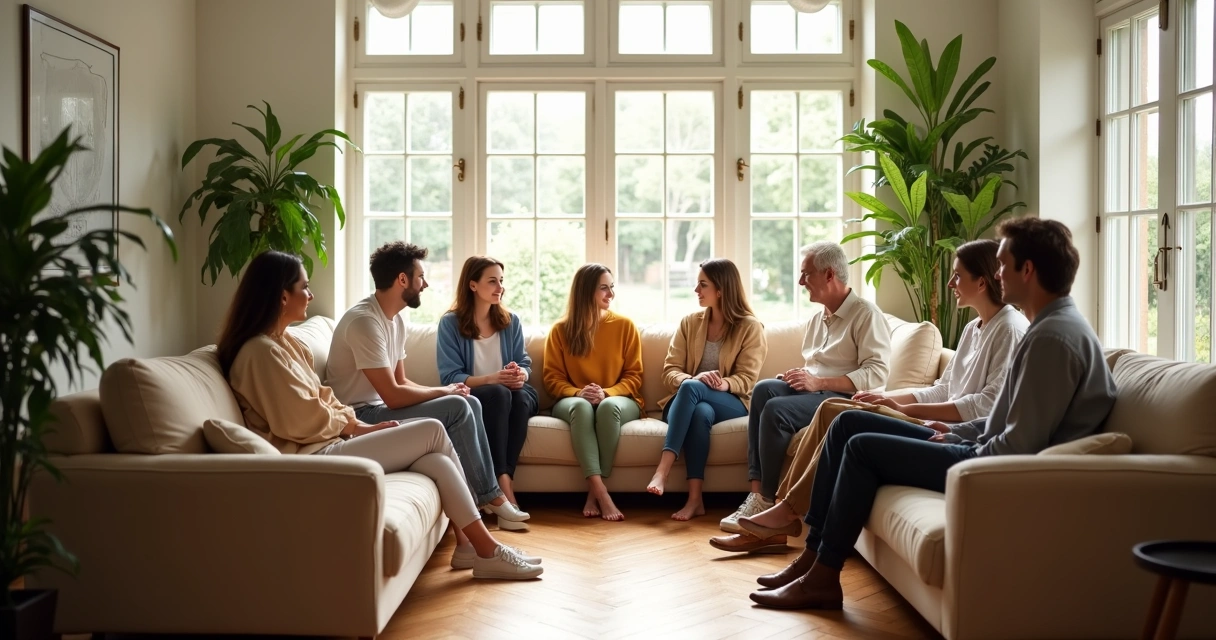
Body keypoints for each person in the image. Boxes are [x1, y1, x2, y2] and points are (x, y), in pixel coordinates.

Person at [749, 217, 1118, 610]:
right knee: (847, 423)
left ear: (1027, 270)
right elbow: (1009, 418)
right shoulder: (1048, 327)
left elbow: (1019, 442)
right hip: (973, 444)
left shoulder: (1051, 338)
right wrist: (955, 432)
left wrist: (960, 441)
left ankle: (824, 574)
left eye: (1003, 264)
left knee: (861, 448)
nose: (997, 274)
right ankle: (812, 559)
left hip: (986, 465)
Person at [218, 251, 542, 579]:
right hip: (316, 452)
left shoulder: (287, 344)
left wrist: (358, 426)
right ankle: (487, 534)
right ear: (282, 295)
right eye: (305, 286)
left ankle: (471, 548)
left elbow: (325, 397)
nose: (311, 295)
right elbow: (300, 420)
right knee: (433, 429)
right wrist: (359, 428)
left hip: (338, 434)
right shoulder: (261, 353)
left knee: (437, 460)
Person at [729, 239, 1029, 548]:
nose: (950, 282)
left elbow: (987, 405)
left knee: (838, 412)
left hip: (952, 434)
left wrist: (907, 411)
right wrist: (892, 401)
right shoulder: (974, 328)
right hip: (935, 422)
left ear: (981, 281)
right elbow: (942, 389)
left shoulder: (1009, 328)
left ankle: (786, 513)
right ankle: (778, 506)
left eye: (957, 275)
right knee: (825, 408)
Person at [326, 242, 529, 529]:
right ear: (402, 280)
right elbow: (394, 396)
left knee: (469, 401)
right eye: (421, 277)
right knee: (459, 403)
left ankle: (490, 497)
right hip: (360, 415)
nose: (426, 284)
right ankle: (491, 498)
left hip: (379, 406)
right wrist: (445, 390)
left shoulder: (394, 320)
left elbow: (402, 381)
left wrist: (448, 391)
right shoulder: (365, 323)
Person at [713, 241, 892, 551]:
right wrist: (799, 377)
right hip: (818, 389)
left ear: (829, 274)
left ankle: (770, 503)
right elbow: (815, 365)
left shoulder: (865, 315)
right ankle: (757, 495)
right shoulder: (818, 319)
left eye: (805, 274)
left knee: (777, 410)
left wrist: (819, 380)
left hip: (843, 398)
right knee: (764, 390)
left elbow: (877, 375)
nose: (800, 282)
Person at [646, 258, 768, 521]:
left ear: (721, 289)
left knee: (693, 388)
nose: (696, 290)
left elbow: (748, 378)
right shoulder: (689, 323)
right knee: (699, 410)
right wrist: (694, 378)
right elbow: (669, 371)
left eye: (703, 284)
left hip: (731, 402)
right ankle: (695, 500)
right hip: (683, 403)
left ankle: (662, 470)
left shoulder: (750, 327)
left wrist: (725, 383)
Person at [437, 256, 538, 519]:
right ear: (472, 285)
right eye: (492, 281)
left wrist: (521, 374)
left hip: (512, 393)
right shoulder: (450, 324)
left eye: (501, 281)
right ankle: (503, 490)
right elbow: (450, 376)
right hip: (478, 393)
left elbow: (525, 362)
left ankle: (503, 481)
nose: (499, 287)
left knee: (520, 397)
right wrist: (493, 378)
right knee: (500, 393)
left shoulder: (511, 321)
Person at [543, 264, 643, 522]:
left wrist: (607, 393)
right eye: (604, 288)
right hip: (574, 401)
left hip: (618, 400)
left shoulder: (625, 326)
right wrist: (579, 392)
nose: (611, 294)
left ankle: (593, 492)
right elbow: (552, 379)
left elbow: (635, 376)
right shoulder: (560, 330)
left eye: (612, 287)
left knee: (608, 408)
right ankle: (601, 491)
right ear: (586, 291)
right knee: (582, 407)